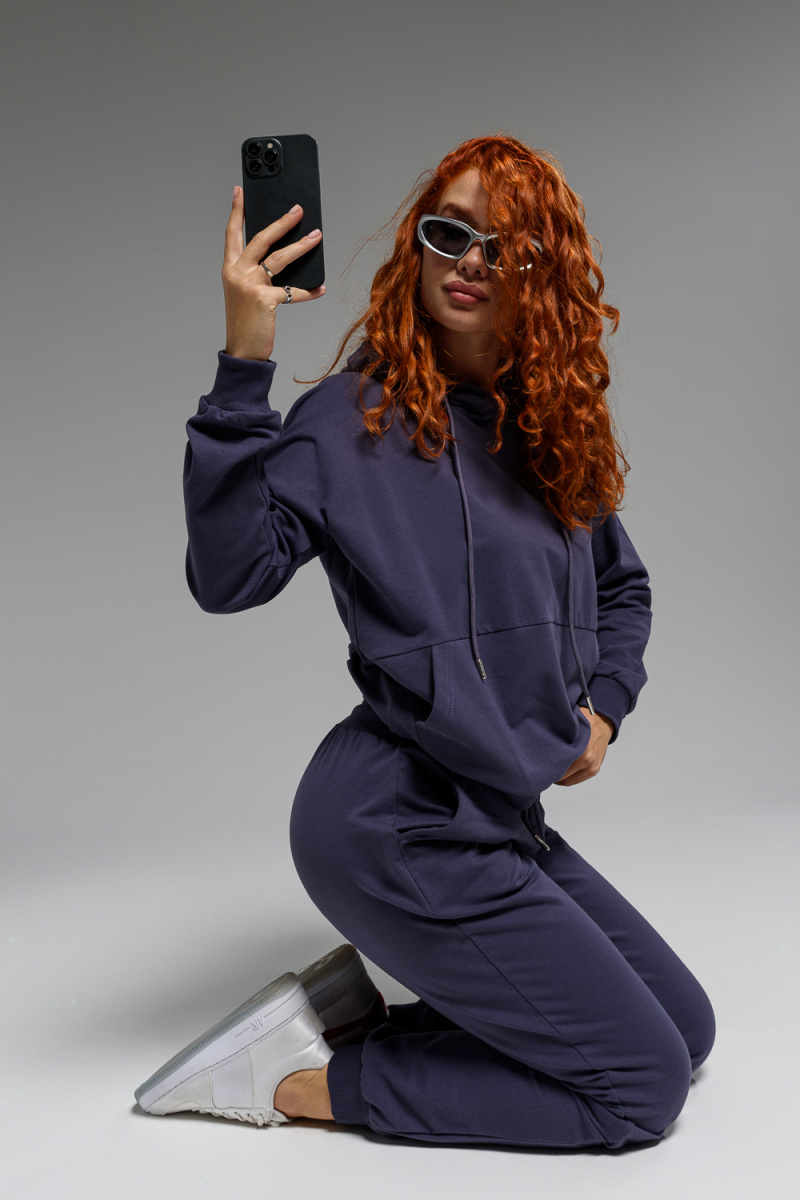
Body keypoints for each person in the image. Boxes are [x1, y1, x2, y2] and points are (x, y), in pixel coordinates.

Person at [134, 135, 715, 1148]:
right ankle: (291, 1083)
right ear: (418, 248)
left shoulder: (545, 428)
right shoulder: (351, 420)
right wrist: (245, 356)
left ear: (541, 275)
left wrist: (605, 708)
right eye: (450, 234)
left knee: (685, 1030)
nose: (471, 261)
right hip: (391, 819)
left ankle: (347, 1021)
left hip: (497, 811)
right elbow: (229, 578)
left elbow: (621, 586)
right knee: (640, 1090)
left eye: (507, 246)